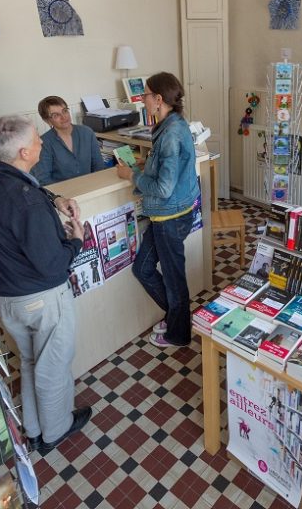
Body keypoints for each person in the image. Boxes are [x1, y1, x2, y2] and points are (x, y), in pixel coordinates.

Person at [0, 115, 92, 455]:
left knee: (29, 362)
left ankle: (35, 427)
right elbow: (53, 263)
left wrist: (53, 198)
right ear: (25, 151)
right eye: (37, 140)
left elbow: (24, 189)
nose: (43, 141)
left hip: (9, 298)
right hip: (42, 299)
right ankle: (56, 430)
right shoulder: (26, 202)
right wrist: (77, 240)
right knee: (54, 367)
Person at [116, 72, 199, 348]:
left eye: (146, 95)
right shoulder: (169, 125)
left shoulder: (171, 133)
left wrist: (132, 176)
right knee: (143, 268)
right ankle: (178, 316)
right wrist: (146, 166)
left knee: (175, 281)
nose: (143, 100)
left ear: (159, 99)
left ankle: (179, 333)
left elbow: (163, 188)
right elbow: (167, 173)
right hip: (168, 215)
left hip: (170, 217)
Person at [32, 96, 106, 185]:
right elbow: (44, 179)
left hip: (91, 186)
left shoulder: (87, 132)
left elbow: (99, 167)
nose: (63, 117)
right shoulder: (44, 142)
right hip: (63, 194)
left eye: (65, 111)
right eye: (56, 115)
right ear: (48, 120)